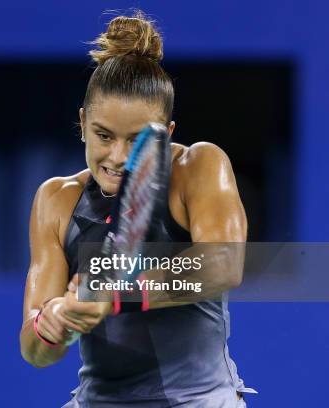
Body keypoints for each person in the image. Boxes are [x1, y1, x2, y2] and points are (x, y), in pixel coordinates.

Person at [19, 12, 255, 407]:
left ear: (169, 134)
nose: (119, 156)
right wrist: (54, 323)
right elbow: (33, 349)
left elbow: (224, 264)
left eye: (138, 139)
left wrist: (114, 291)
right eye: (104, 135)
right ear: (83, 122)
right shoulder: (55, 199)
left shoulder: (199, 166)